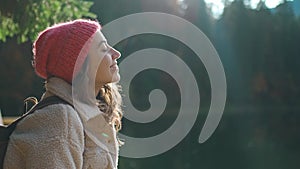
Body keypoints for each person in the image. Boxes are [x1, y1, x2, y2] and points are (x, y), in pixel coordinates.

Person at [3, 19, 123, 169]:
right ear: (80, 65)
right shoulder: (60, 119)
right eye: (103, 49)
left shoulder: (90, 116)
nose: (116, 54)